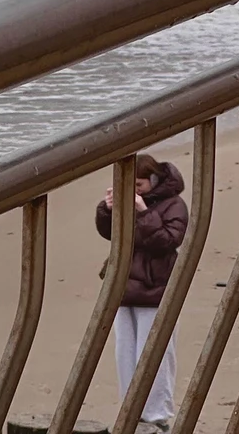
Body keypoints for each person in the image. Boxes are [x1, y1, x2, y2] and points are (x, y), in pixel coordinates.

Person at [95, 152, 189, 434]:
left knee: (156, 353)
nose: (135, 190)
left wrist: (143, 211)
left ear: (154, 180)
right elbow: (109, 233)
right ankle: (131, 409)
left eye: (139, 185)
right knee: (124, 352)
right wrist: (107, 209)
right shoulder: (127, 201)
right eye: (130, 185)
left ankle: (157, 415)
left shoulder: (175, 204)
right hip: (124, 287)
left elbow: (168, 241)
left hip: (156, 287)